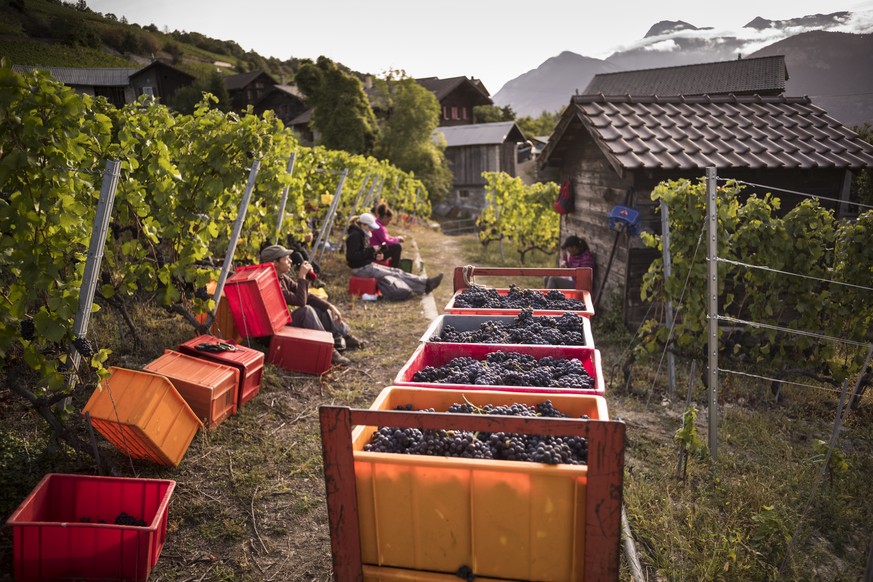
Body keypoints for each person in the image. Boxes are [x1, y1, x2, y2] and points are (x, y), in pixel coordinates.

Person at [260, 244, 364, 366]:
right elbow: (300, 301)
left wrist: (329, 306)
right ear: (275, 263)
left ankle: (343, 335)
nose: (290, 261)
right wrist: (302, 277)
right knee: (306, 311)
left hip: (281, 323)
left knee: (319, 307)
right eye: (286, 258)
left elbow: (306, 295)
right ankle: (331, 352)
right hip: (274, 332)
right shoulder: (270, 283)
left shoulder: (281, 277)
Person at [345, 213, 443, 298]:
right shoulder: (355, 236)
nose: (371, 230)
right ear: (363, 224)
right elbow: (352, 257)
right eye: (370, 227)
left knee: (396, 271)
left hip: (366, 266)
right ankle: (425, 285)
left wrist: (374, 256)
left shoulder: (361, 234)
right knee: (395, 274)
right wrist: (371, 250)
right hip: (361, 269)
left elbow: (362, 254)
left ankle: (425, 284)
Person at [370, 202, 404, 269]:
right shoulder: (378, 226)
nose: (389, 222)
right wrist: (397, 240)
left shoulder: (378, 224)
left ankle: (393, 266)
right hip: (375, 253)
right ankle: (394, 269)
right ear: (385, 217)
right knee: (397, 247)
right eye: (389, 220)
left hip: (375, 249)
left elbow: (386, 238)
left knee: (395, 246)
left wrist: (396, 239)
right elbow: (386, 241)